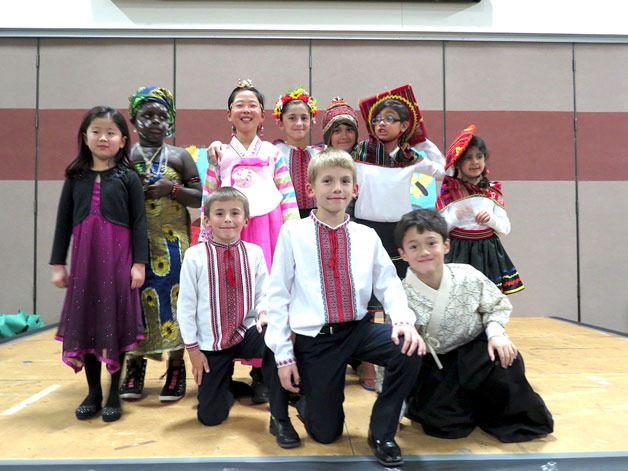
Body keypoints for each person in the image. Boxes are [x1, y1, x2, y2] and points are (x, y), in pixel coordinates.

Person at [265, 148, 425, 468]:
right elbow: (278, 295)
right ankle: (306, 400)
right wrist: (283, 355)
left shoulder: (365, 236)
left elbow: (389, 284)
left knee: (410, 348)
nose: (336, 188)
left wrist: (404, 321)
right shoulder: (293, 233)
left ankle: (382, 432)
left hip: (358, 330)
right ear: (311, 189)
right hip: (317, 338)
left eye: (344, 181)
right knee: (326, 434)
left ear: (356, 188)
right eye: (327, 181)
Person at [396, 208, 554, 442]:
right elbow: (395, 349)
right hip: (436, 365)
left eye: (432, 243)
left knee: (505, 359)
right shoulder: (399, 294)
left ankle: (488, 404)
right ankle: (460, 407)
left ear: (446, 246)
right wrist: (393, 408)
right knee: (444, 427)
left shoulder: (467, 275)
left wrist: (496, 334)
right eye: (414, 246)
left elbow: (496, 305)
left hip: (477, 354)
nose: (424, 252)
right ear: (403, 254)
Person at [177, 187, 301, 448]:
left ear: (246, 219)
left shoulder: (254, 253)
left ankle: (279, 415)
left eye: (235, 213)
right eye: (219, 213)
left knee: (274, 339)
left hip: (246, 332)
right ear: (207, 220)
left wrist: (265, 315)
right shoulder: (194, 256)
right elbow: (186, 306)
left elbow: (263, 294)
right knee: (210, 417)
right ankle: (227, 386)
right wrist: (193, 349)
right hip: (212, 341)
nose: (228, 219)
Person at [200, 80, 299, 403]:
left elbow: (287, 195)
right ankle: (225, 368)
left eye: (252, 105)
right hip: (231, 235)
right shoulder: (219, 153)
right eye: (239, 105)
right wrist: (205, 241)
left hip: (268, 232)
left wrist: (293, 235)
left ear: (262, 116)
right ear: (229, 115)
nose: (246, 110)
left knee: (267, 297)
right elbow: (209, 196)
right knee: (230, 296)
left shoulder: (272, 153)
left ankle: (263, 372)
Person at [50, 106, 147, 422]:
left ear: (122, 140)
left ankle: (114, 392)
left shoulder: (129, 178)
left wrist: (139, 264)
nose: (103, 137)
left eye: (110, 133)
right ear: (85, 136)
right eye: (96, 131)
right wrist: (57, 265)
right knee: (88, 321)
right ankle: (93, 391)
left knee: (114, 321)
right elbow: (63, 222)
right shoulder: (75, 177)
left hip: (119, 262)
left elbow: (139, 223)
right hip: (85, 263)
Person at [119, 87, 203, 403]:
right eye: (147, 116)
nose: (155, 121)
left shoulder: (180, 156)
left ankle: (177, 368)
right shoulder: (127, 157)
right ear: (133, 120)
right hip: (136, 243)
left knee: (177, 301)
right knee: (136, 301)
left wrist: (173, 189)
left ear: (169, 122)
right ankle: (134, 366)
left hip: (173, 244)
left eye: (161, 116)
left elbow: (201, 196)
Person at [437, 124, 524, 294]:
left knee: (487, 296)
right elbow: (439, 229)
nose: (475, 162)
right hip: (457, 252)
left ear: (485, 160)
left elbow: (505, 228)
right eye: (468, 158)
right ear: (458, 163)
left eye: (479, 156)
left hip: (487, 252)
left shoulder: (492, 191)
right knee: (458, 295)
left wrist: (490, 220)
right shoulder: (451, 191)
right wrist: (455, 216)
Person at [272, 87, 322, 218]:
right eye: (292, 118)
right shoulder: (274, 152)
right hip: (283, 216)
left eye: (304, 118)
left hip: (317, 216)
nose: (299, 123)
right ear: (281, 123)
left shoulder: (321, 154)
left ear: (312, 122)